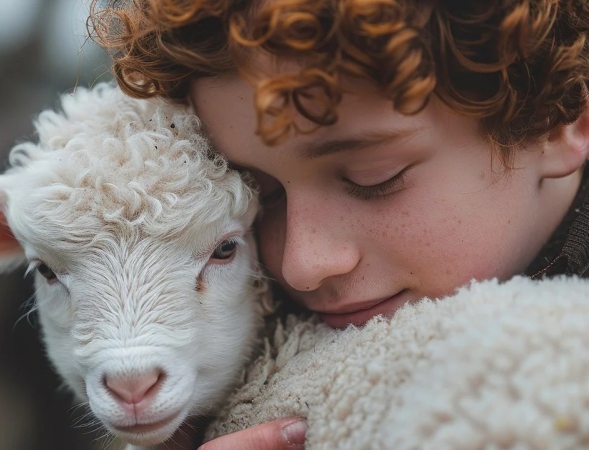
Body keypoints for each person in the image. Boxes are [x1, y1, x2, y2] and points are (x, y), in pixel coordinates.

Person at [88, 1, 589, 449]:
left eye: (373, 179)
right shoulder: (235, 342)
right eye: (262, 194)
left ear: (559, 120)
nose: (302, 265)